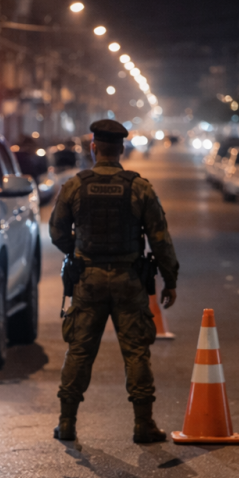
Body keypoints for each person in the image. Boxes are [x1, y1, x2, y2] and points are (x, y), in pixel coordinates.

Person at [48, 119, 180, 444]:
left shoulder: (75, 185)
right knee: (136, 351)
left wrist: (78, 252)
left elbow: (57, 232)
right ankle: (143, 425)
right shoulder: (139, 187)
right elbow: (160, 238)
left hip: (88, 279)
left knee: (79, 350)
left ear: (93, 147)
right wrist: (170, 278)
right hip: (128, 279)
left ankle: (67, 423)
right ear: (121, 149)